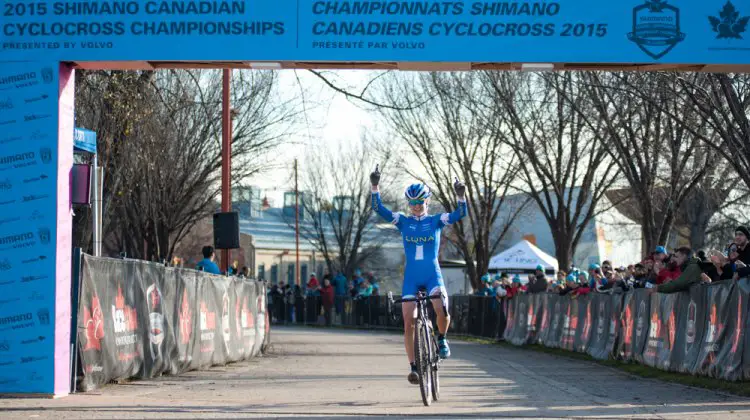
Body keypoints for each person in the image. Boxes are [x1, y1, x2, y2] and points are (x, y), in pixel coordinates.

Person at [370, 165, 467, 385]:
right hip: (412, 279)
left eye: (419, 203)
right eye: (411, 203)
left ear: (427, 202)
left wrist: (461, 195)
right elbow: (378, 208)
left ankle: (441, 338)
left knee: (441, 308)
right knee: (409, 321)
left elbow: (461, 213)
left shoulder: (436, 221)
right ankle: (414, 367)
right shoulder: (403, 221)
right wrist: (375, 185)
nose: (415, 207)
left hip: (432, 275)